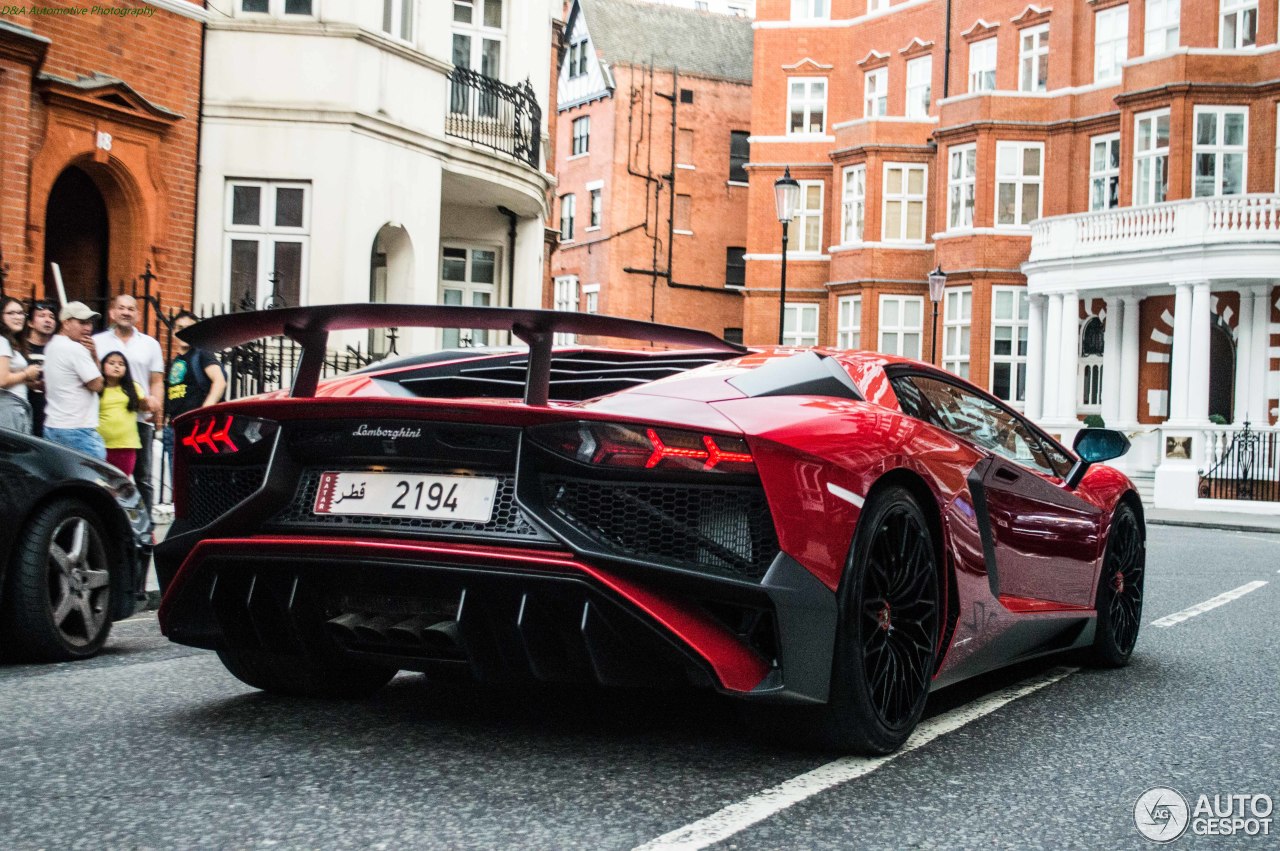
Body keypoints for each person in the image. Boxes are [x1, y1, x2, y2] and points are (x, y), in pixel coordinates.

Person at [94, 294, 165, 520]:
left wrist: (157, 410)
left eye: (131, 309)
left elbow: (156, 382)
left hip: (140, 419)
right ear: (112, 313)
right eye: (121, 308)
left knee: (143, 477)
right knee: (102, 474)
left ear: (138, 314)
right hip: (105, 418)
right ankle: (106, 519)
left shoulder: (150, 344)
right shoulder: (97, 342)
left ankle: (146, 526)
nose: (126, 312)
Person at [164, 312, 226, 472]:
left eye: (189, 328)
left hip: (196, 429)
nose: (184, 332)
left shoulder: (202, 354)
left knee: (196, 481)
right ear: (173, 332)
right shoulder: (174, 362)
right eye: (180, 328)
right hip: (175, 428)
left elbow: (219, 381)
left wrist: (204, 412)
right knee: (178, 483)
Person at [43, 301, 105, 459]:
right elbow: (97, 385)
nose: (88, 328)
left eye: (90, 323)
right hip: (78, 429)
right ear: (66, 323)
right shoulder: (75, 349)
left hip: (53, 426)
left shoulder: (51, 346)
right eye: (82, 322)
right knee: (92, 481)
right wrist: (94, 356)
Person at [98, 351, 144, 476]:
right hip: (100, 445)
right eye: (111, 363)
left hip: (126, 447)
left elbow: (145, 406)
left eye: (121, 364)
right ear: (102, 366)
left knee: (121, 483)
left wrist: (151, 403)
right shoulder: (96, 388)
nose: (116, 366)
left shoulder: (134, 388)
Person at [0, 296, 39, 433]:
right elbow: (2, 380)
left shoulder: (11, 342)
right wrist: (26, 374)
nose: (18, 317)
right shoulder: (2, 341)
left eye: (21, 313)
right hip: (8, 407)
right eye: (11, 313)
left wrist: (29, 382)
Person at [24, 301, 57, 436]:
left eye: (51, 317)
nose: (48, 320)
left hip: (50, 414)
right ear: (30, 322)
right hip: (26, 409)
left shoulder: (58, 348)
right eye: (42, 316)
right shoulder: (20, 348)